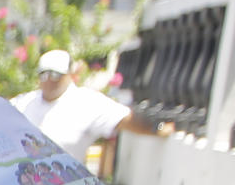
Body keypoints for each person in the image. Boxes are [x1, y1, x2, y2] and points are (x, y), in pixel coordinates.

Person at [11, 48, 168, 164]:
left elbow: (125, 119)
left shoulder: (86, 102)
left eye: (55, 75)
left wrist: (158, 129)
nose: (49, 80)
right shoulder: (24, 102)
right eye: (44, 75)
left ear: (70, 75)